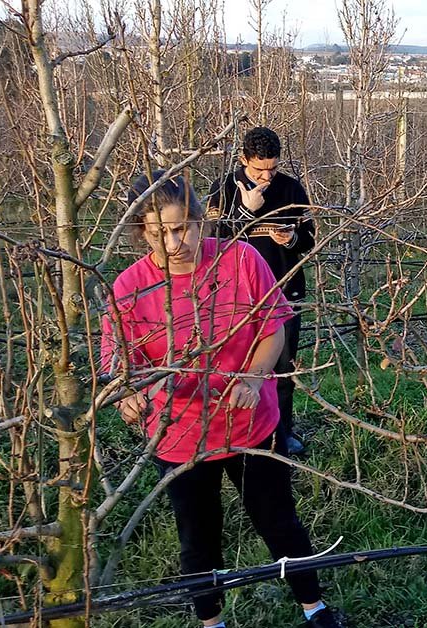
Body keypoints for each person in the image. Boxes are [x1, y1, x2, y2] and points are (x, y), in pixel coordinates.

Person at [101, 172, 344, 627]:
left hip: (252, 423)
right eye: (161, 233)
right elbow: (119, 358)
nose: (176, 242)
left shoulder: (240, 259)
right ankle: (211, 621)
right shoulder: (130, 288)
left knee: (278, 522)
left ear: (201, 220)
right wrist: (128, 393)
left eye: (185, 227)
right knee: (198, 536)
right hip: (181, 437)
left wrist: (252, 378)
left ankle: (314, 606)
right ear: (141, 232)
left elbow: (273, 326)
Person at [207, 126, 316, 455]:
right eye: (259, 168)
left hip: (284, 293)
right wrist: (247, 210)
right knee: (234, 369)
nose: (267, 175)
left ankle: (281, 434)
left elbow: (309, 239)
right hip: (234, 297)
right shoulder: (224, 189)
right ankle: (236, 434)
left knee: (282, 371)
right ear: (243, 160)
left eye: (273, 167)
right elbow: (212, 241)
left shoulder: (291, 189)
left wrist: (292, 239)